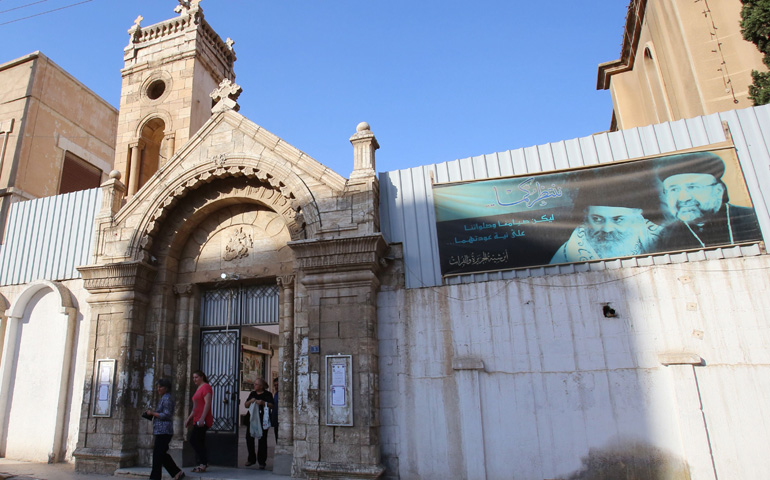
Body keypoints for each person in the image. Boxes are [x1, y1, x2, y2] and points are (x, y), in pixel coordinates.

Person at [550, 166, 662, 264]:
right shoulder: (566, 257)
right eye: (597, 219)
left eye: (618, 220)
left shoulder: (664, 241)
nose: (607, 229)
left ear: (637, 216)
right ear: (586, 216)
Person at [656, 152, 762, 251]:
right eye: (674, 190)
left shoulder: (753, 219)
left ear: (718, 191)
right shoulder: (666, 235)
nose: (683, 198)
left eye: (693, 187)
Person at [145, 378, 184, 480]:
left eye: (160, 387)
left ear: (166, 388)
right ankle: (176, 472)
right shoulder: (164, 398)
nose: (158, 389)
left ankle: (155, 477)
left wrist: (153, 413)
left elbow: (167, 415)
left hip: (164, 430)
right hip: (161, 430)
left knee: (158, 454)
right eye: (158, 387)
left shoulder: (167, 398)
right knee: (160, 454)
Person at [185, 370, 213, 473]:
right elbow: (196, 406)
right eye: (193, 378)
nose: (194, 380)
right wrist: (189, 417)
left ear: (202, 377)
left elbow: (207, 403)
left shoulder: (206, 387)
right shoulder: (199, 388)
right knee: (199, 441)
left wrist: (202, 418)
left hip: (203, 420)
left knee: (194, 440)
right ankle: (203, 463)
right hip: (197, 419)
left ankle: (203, 463)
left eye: (196, 377)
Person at [244, 378, 274, 469]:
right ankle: (251, 459)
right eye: (254, 384)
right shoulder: (252, 394)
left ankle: (262, 461)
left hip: (263, 419)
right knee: (249, 438)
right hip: (252, 419)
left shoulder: (268, 394)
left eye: (256, 384)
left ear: (261, 386)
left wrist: (263, 403)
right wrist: (250, 401)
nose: (254, 385)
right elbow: (246, 405)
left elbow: (272, 405)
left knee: (262, 440)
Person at [271, 378, 279, 443]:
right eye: (275, 385)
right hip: (275, 419)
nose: (276, 387)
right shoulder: (276, 394)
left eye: (277, 385)